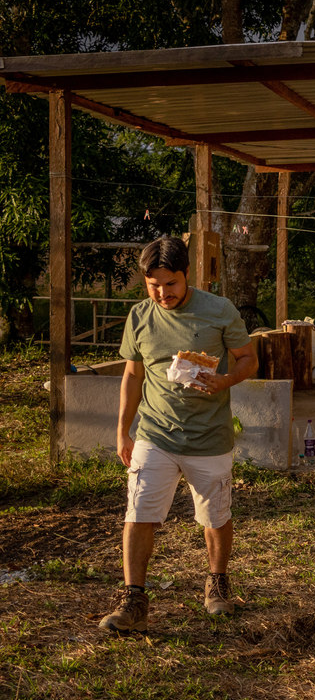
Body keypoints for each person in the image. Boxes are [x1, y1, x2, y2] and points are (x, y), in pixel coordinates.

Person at [100, 236, 258, 635]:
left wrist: (225, 381)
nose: (162, 293)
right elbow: (132, 375)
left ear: (187, 274)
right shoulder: (140, 316)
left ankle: (217, 584)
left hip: (209, 436)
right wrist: (123, 431)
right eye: (153, 285)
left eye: (170, 283)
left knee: (215, 516)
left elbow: (248, 359)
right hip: (155, 434)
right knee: (139, 513)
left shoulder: (218, 310)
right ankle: (134, 599)